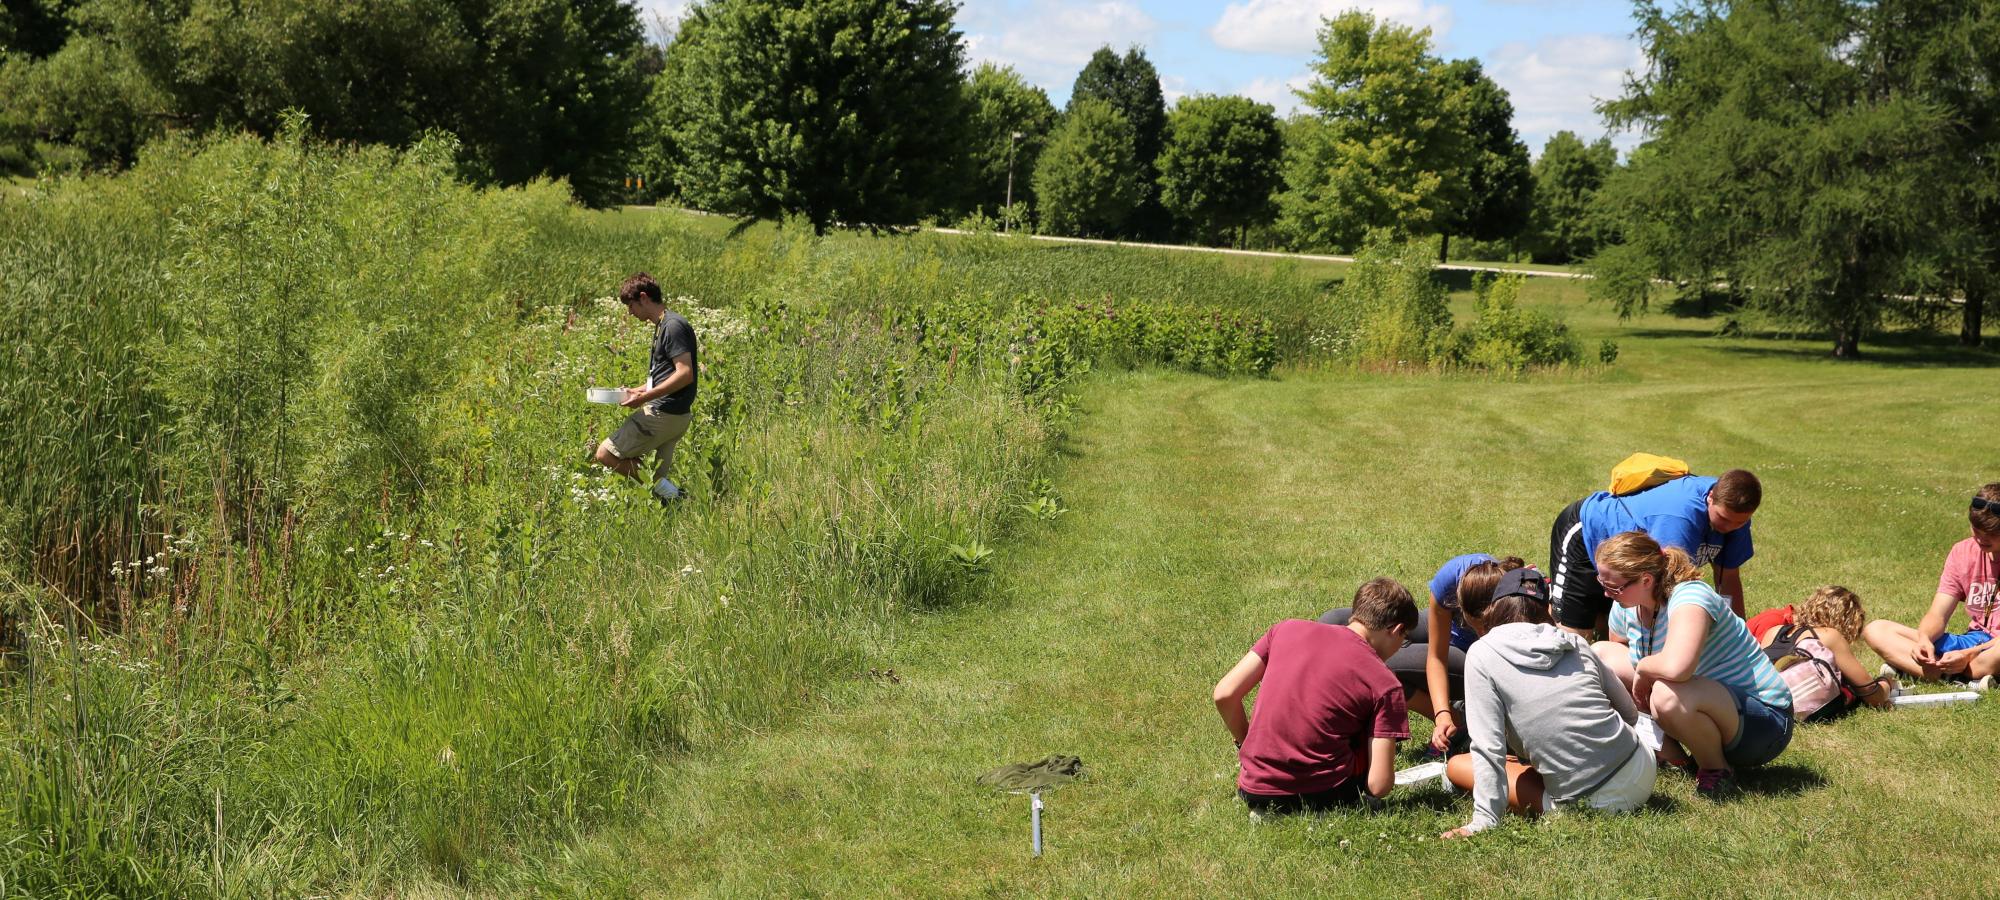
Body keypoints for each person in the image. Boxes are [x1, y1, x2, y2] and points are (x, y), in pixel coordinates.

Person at [1441, 568, 1654, 837]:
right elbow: (1629, 713)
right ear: (1547, 608)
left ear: (1494, 608)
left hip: (1588, 802)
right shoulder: (1575, 641)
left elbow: (1487, 747)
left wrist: (1484, 821)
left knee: (1457, 766)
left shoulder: (1482, 653)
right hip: (1642, 770)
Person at [1590, 531, 1792, 798]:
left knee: (1665, 694)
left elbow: (1678, 668)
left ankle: (1717, 770)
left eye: (1613, 587)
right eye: (1601, 582)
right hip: (1707, 704)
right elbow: (1617, 649)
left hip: (1763, 724)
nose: (1606, 594)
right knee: (1600, 654)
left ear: (1646, 580)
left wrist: (1644, 669)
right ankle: (1672, 757)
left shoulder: (1690, 597)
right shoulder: (1627, 605)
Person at [1214, 578, 1419, 816]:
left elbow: (1224, 694)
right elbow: (1379, 785)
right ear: (1396, 630)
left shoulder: (1285, 629)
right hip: (1324, 793)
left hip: (1253, 788)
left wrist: (1245, 743)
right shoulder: (1386, 683)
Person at [1317, 555, 1524, 743]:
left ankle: (1459, 720)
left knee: (1383, 666)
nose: (1478, 632)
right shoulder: (1452, 578)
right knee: (1332, 622)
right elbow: (1436, 654)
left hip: (1469, 657)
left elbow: (1439, 659)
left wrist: (1442, 714)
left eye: (1482, 628)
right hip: (1444, 632)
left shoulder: (1514, 603)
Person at [1549, 469, 1761, 640]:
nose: (1731, 527)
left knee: (1608, 635)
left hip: (1628, 569)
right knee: (1574, 637)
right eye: (1724, 519)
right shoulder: (1679, 518)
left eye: (1740, 522)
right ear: (1711, 498)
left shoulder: (1735, 513)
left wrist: (1739, 637)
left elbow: (1729, 578)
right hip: (1588, 535)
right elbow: (1668, 587)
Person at [1863, 483, 2000, 686]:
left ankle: (1929, 671)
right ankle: (1959, 675)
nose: (1980, 538)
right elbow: (1938, 613)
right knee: (1876, 630)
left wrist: (1969, 654)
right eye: (1975, 529)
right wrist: (1924, 640)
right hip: (1973, 640)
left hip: (1992, 648)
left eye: (1990, 533)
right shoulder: (1962, 552)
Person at [590, 273, 698, 503]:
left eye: (631, 305)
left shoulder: (673, 326)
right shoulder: (664, 326)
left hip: (663, 413)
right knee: (658, 480)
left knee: (605, 453)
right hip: (675, 415)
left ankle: (677, 497)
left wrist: (646, 397)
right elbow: (665, 375)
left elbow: (685, 373)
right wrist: (637, 391)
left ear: (643, 298)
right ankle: (679, 501)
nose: (630, 312)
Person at [1748, 586, 1896, 718]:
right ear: (1847, 622)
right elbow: (1870, 693)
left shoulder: (1773, 632)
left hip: (1762, 705)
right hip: (1792, 709)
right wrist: (1886, 682)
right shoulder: (1829, 636)